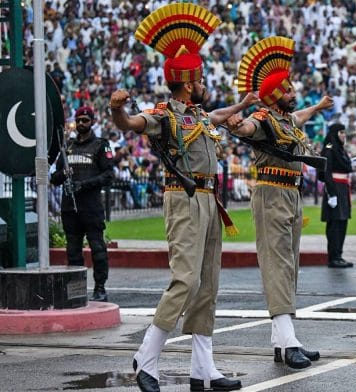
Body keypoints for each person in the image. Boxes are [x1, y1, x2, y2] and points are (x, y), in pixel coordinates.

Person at [108, 4, 253, 391]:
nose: (205, 84)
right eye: (201, 79)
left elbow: (220, 116)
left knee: (207, 284)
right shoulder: (165, 115)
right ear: (189, 83)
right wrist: (117, 111)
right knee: (185, 280)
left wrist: (243, 105)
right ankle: (146, 358)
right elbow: (134, 124)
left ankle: (203, 370)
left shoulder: (200, 115)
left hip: (209, 201)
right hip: (184, 199)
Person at [227, 36, 330, 370]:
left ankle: (281, 340)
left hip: (292, 194)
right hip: (271, 193)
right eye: (287, 90)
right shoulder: (263, 119)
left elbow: (298, 117)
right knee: (277, 266)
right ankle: (289, 343)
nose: (293, 93)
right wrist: (237, 120)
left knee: (290, 268)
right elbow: (247, 127)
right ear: (274, 96)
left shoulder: (285, 121)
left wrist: (318, 107)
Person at [50, 105, 114, 302]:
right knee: (73, 252)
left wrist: (83, 185)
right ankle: (76, 290)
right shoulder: (67, 147)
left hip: (91, 207)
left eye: (85, 120)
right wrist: (63, 174)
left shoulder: (101, 146)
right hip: (70, 208)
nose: (81, 124)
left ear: (92, 122)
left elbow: (109, 174)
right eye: (78, 121)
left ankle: (100, 288)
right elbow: (55, 178)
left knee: (98, 249)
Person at [321, 123, 354, 268]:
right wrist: (331, 193)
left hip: (343, 187)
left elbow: (345, 167)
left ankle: (339, 255)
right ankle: (333, 257)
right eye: (341, 132)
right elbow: (326, 173)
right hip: (334, 187)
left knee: (342, 222)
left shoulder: (340, 149)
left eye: (344, 132)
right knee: (334, 224)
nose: (343, 135)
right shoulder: (329, 149)